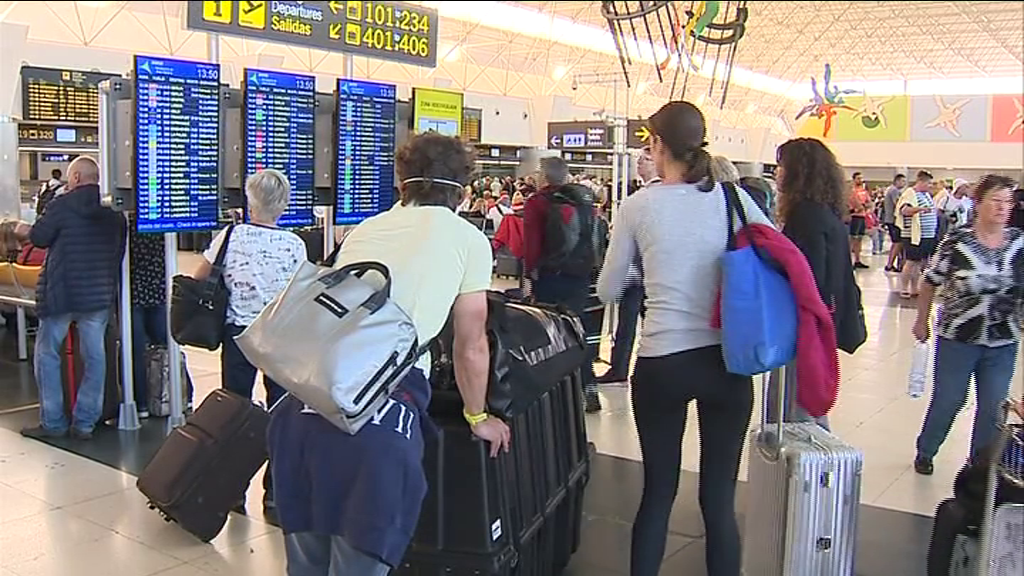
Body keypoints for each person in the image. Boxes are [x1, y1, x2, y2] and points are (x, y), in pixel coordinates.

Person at [268, 132, 510, 575]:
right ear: (462, 188)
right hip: (376, 421)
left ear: (402, 184)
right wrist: (479, 416)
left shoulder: (366, 229)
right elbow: (471, 342)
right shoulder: (467, 239)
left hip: (300, 413)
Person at [597, 101, 771, 576]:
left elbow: (609, 288)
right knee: (718, 501)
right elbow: (777, 254)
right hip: (728, 361)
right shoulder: (734, 199)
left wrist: (648, 270)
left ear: (655, 145)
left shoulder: (639, 205)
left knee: (657, 493)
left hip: (662, 362)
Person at [193, 169, 307, 511]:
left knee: (235, 412)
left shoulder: (230, 237)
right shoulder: (294, 245)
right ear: (283, 205)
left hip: (238, 336)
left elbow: (199, 276)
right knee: (281, 413)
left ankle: (233, 489)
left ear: (250, 201)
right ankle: (275, 491)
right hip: (278, 339)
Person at [912, 175, 1023, 475]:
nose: (1002, 208)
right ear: (978, 204)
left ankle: (978, 466)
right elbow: (929, 282)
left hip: (1003, 340)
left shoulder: (1018, 243)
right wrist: (921, 320)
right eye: (995, 201)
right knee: (950, 400)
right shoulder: (958, 241)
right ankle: (926, 449)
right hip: (958, 338)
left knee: (992, 406)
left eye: (1007, 202)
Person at [21, 156, 125, 441]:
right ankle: (85, 423)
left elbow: (39, 238)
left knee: (47, 355)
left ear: (76, 178)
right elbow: (118, 250)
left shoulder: (61, 205)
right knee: (95, 357)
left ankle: (53, 422)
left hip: (61, 293)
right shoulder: (113, 210)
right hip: (97, 296)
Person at [771, 138, 865, 429]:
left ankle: (811, 471)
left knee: (798, 408)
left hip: (805, 327)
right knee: (806, 402)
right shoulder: (826, 214)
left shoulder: (805, 217)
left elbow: (808, 278)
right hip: (820, 323)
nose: (777, 173)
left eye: (781, 165)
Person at [523, 156, 601, 412]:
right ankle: (588, 386)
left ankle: (555, 392)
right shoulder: (583, 200)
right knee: (579, 330)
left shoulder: (538, 203)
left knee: (550, 334)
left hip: (550, 276)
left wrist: (528, 276)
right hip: (580, 275)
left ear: (543, 176)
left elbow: (532, 244)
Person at [595, 145, 659, 385]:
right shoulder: (640, 197)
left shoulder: (645, 200)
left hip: (641, 274)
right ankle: (621, 368)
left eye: (646, 159)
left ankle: (625, 369)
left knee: (635, 323)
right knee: (630, 323)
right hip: (640, 274)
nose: (639, 163)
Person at [128, 214, 168, 419]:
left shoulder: (124, 221)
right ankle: (177, 394)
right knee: (165, 347)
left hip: (132, 293)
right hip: (157, 290)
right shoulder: (160, 219)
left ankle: (141, 402)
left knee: (135, 350)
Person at [896, 171, 940, 298]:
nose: (930, 186)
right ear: (921, 182)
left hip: (927, 235)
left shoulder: (926, 195)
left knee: (919, 263)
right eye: (928, 183)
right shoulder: (910, 194)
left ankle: (914, 287)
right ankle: (904, 287)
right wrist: (920, 209)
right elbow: (905, 210)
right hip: (913, 235)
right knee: (910, 262)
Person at [882, 174, 907, 272]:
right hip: (894, 220)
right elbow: (898, 204)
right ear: (897, 181)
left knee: (896, 243)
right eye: (902, 181)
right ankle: (890, 264)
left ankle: (895, 263)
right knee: (898, 243)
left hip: (891, 219)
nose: (904, 184)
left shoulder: (891, 190)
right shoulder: (894, 191)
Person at [848, 172, 872, 269]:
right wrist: (858, 207)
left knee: (859, 238)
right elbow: (853, 203)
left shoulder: (864, 191)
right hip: (854, 216)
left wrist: (865, 206)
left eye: (861, 178)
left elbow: (869, 203)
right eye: (858, 178)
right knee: (852, 239)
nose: (860, 180)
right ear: (854, 179)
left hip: (862, 216)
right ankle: (848, 261)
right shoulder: (851, 191)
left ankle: (857, 260)